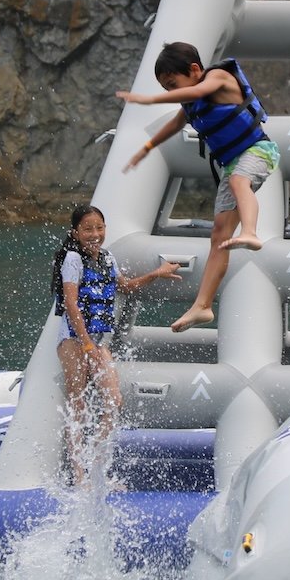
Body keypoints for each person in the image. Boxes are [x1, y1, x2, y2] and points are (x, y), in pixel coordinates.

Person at [119, 41, 278, 332]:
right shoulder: (189, 102)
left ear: (194, 69)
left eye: (172, 84)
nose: (172, 93)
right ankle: (202, 306)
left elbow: (197, 91)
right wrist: (147, 147)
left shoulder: (218, 78)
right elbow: (175, 124)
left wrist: (150, 100)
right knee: (218, 237)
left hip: (259, 151)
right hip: (233, 163)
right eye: (166, 89)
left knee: (240, 181)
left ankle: (252, 232)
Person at [52, 203, 181, 484]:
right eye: (87, 229)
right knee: (78, 404)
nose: (95, 233)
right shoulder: (72, 259)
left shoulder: (108, 258)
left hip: (98, 342)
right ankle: (79, 475)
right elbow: (72, 306)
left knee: (113, 401)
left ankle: (97, 469)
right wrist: (86, 345)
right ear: (75, 232)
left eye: (99, 227)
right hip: (74, 341)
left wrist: (156, 274)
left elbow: (124, 286)